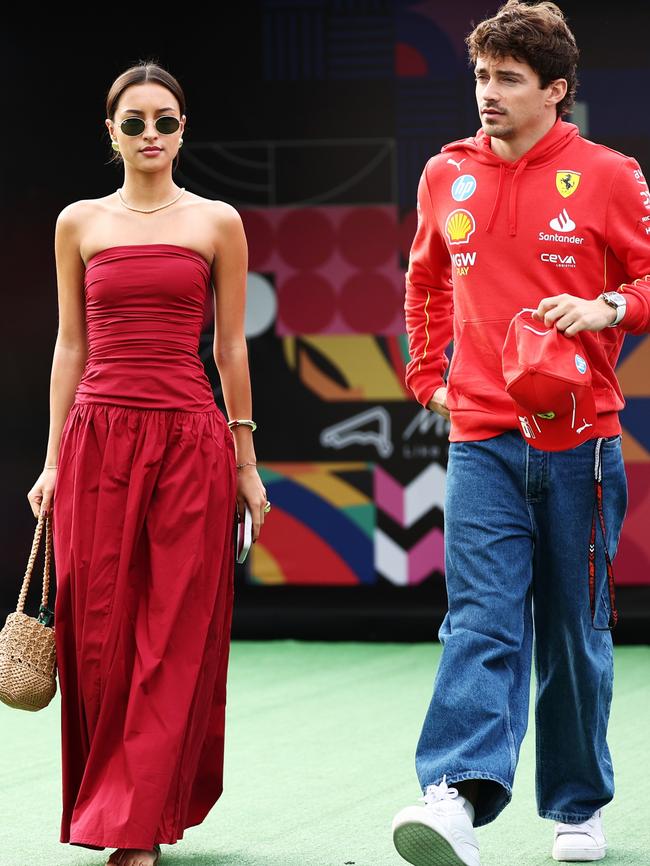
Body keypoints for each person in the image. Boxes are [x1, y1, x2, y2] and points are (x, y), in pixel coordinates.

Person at [391, 2, 650, 865]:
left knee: (575, 630)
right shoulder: (444, 174)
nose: (487, 93)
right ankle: (457, 796)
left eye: (507, 78)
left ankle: (577, 806)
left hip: (582, 439)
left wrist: (608, 305)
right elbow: (425, 281)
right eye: (481, 75)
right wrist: (427, 374)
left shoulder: (611, 175)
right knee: (480, 620)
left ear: (557, 90)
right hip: (481, 440)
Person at [26, 61, 269, 866]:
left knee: (174, 632)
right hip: (97, 441)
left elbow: (231, 347)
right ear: (111, 133)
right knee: (98, 635)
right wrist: (52, 461)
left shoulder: (217, 222)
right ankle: (116, 803)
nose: (151, 135)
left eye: (165, 121)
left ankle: (134, 824)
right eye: (135, 123)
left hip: (190, 441)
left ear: (183, 129)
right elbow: (70, 345)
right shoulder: (78, 223)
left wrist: (246, 461)